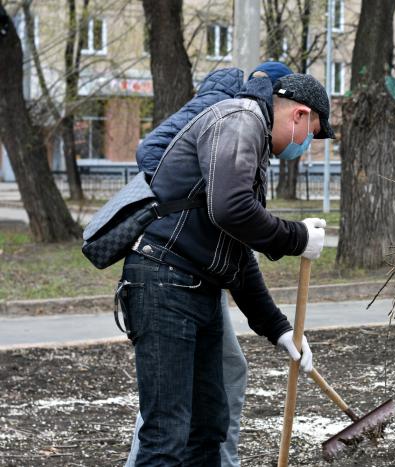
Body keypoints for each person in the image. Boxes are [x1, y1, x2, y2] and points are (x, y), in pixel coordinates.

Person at [119, 72, 334, 465]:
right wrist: (296, 238)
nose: (306, 145)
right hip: (164, 283)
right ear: (299, 115)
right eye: (312, 132)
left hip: (194, 286)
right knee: (167, 432)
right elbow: (232, 209)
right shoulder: (240, 120)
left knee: (208, 426)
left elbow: (235, 253)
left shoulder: (250, 135)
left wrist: (278, 328)